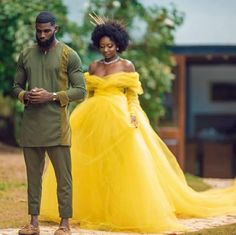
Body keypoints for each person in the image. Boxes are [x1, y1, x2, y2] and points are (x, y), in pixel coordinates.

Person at [40, 15, 236, 234]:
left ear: (119, 44)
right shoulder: (94, 66)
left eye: (110, 46)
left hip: (120, 116)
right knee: (89, 164)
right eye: (102, 46)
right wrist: (79, 117)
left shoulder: (126, 65)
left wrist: (132, 115)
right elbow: (89, 95)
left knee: (124, 164)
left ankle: (124, 208)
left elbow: (133, 96)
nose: (106, 50)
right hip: (92, 116)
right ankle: (93, 209)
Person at [13, 11, 86, 235]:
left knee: (63, 178)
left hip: (57, 127)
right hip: (31, 126)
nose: (42, 35)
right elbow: (16, 86)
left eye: (47, 30)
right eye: (39, 31)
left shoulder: (69, 55)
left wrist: (52, 96)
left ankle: (65, 224)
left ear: (56, 29)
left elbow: (80, 91)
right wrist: (25, 95)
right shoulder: (26, 54)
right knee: (33, 177)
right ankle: (33, 223)